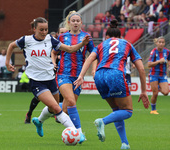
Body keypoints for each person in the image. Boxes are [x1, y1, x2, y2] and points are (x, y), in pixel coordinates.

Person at [5, 17, 90, 143]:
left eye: (46, 29)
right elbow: (12, 45)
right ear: (34, 29)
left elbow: (70, 49)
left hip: (50, 79)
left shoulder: (51, 39)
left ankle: (39, 122)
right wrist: (7, 62)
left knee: (52, 108)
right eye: (41, 30)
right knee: (56, 108)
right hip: (36, 81)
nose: (44, 32)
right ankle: (76, 132)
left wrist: (82, 44)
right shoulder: (26, 40)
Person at [74, 19, 150, 149]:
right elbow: (141, 69)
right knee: (127, 111)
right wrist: (143, 91)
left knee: (117, 110)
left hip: (99, 76)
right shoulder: (126, 43)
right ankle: (102, 121)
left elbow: (90, 59)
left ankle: (125, 143)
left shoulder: (101, 45)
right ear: (120, 36)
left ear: (107, 36)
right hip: (115, 74)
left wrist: (81, 76)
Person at [51, 10, 95, 143]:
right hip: (63, 74)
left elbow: (94, 54)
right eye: (73, 21)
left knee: (66, 109)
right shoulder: (62, 37)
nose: (75, 23)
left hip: (78, 75)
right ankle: (79, 133)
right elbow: (54, 52)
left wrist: (93, 69)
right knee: (71, 101)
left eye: (78, 21)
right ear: (69, 23)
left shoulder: (87, 36)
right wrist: (53, 63)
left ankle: (49, 111)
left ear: (81, 23)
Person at [148, 36, 170, 115]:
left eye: (162, 42)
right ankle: (153, 110)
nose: (161, 44)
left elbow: (169, 59)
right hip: (154, 75)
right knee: (155, 93)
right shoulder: (153, 52)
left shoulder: (167, 52)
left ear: (164, 43)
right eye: (159, 42)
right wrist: (158, 61)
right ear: (157, 43)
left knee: (166, 92)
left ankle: (157, 87)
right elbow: (149, 64)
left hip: (163, 75)